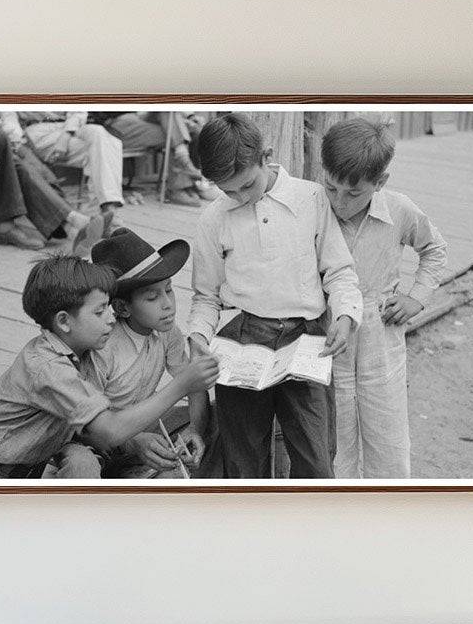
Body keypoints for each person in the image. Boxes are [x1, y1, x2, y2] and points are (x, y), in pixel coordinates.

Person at [188, 113, 362, 479]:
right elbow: (205, 297)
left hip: (307, 339)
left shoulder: (311, 198)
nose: (239, 197)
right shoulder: (213, 219)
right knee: (242, 459)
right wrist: (198, 337)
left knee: (315, 460)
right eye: (227, 190)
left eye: (247, 185)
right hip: (244, 341)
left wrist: (345, 316)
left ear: (265, 156)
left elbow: (339, 272)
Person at [0, 255, 218, 479]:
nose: (111, 320)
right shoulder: (48, 367)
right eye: (100, 312)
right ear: (64, 322)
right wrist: (182, 385)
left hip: (14, 469)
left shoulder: (72, 353)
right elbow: (108, 431)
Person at [320, 117, 448, 478]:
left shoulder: (399, 209)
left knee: (388, 441)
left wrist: (416, 298)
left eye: (354, 193)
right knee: (334, 445)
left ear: (380, 183)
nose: (340, 202)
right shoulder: (314, 209)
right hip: (329, 334)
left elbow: (435, 250)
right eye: (331, 188)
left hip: (381, 334)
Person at [90, 227, 210, 476]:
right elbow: (90, 425)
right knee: (83, 461)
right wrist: (133, 441)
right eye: (152, 297)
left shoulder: (167, 332)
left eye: (168, 289)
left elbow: (194, 384)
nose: (168, 304)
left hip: (144, 426)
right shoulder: (103, 346)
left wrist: (196, 429)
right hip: (100, 442)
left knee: (223, 413)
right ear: (122, 308)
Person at [0, 112, 101, 251]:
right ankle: (71, 220)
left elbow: (7, 116)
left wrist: (15, 138)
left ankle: (67, 224)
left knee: (28, 166)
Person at [21, 112, 126, 225]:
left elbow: (78, 110)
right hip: (38, 132)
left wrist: (65, 136)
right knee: (101, 151)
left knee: (101, 135)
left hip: (70, 127)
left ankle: (107, 210)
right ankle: (103, 215)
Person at [105, 112, 205, 207]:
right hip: (116, 125)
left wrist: (189, 116)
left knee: (176, 125)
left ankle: (187, 182)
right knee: (174, 131)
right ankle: (181, 184)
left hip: (142, 118)